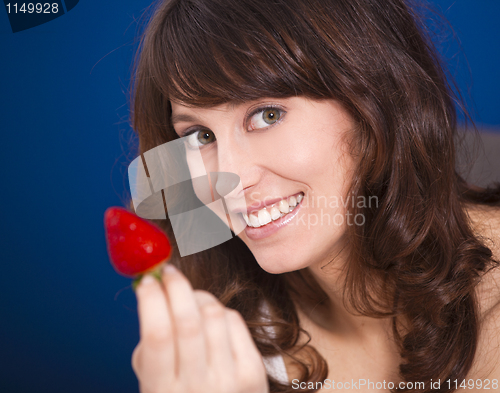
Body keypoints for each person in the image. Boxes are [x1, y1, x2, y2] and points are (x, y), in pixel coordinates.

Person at [127, 0, 500, 392]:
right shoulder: (216, 322)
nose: (230, 179)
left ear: (375, 103)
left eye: (267, 114)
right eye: (200, 136)